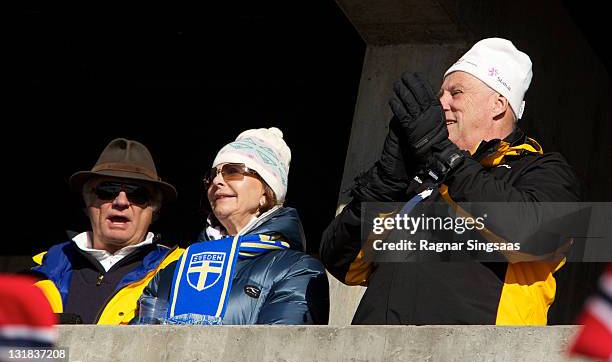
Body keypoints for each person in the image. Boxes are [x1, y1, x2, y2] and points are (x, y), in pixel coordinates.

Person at [320, 38, 581, 325]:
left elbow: (539, 235)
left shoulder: (541, 168)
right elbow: (342, 262)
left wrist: (448, 160)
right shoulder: (419, 180)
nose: (441, 103)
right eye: (440, 94)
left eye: (456, 93)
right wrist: (386, 181)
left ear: (498, 104)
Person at [142, 127, 329, 324]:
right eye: (213, 174)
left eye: (233, 171)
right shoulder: (174, 270)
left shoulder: (295, 269)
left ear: (266, 192)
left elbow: (282, 350)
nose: (217, 181)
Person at [30, 138, 184, 324]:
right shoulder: (41, 272)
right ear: (88, 202)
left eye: (138, 194)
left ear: (154, 209)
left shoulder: (179, 271)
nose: (121, 202)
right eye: (107, 190)